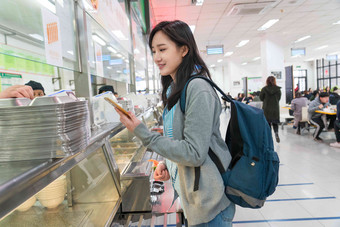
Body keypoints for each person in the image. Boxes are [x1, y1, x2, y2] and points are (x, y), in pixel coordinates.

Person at [114, 20, 235, 226]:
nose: (157, 57)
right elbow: (180, 141)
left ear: (184, 49)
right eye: (153, 51)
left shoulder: (198, 88)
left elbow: (195, 153)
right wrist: (168, 163)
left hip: (209, 207)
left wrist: (141, 132)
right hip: (192, 203)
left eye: (162, 49)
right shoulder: (174, 89)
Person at [260, 76, 281, 143]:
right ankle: (276, 133)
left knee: (267, 123)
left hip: (267, 109)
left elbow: (261, 98)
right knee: (275, 123)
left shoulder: (264, 89)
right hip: (275, 108)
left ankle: (269, 137)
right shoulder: (278, 89)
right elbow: (279, 98)